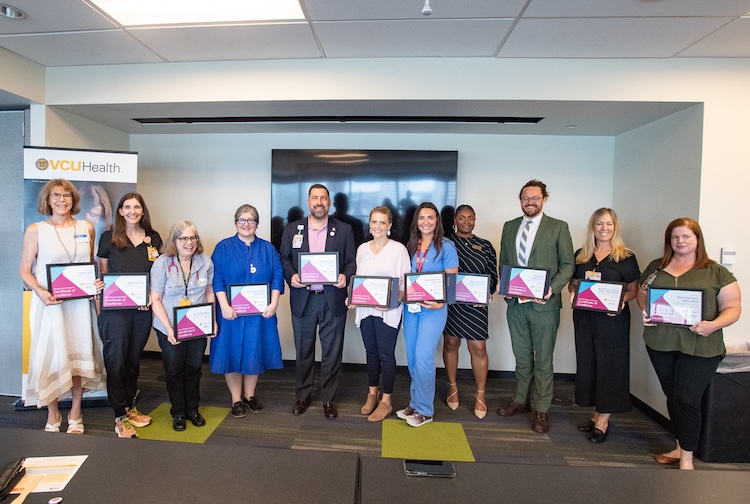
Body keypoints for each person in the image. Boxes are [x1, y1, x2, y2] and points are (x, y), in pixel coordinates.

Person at [637, 218, 741, 470]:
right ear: (668, 240)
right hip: (660, 344)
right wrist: (645, 310)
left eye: (686, 237)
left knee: (686, 399)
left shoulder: (716, 272)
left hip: (701, 347)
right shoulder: (656, 267)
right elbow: (642, 293)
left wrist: (713, 324)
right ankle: (679, 446)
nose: (680, 242)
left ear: (697, 240)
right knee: (673, 397)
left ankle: (687, 458)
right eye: (675, 237)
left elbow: (733, 308)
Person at [19, 178, 106, 434]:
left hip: (80, 306)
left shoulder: (86, 227)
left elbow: (90, 263)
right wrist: (40, 292)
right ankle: (54, 414)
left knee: (79, 353)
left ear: (74, 200)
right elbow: (24, 270)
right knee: (53, 356)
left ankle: (76, 413)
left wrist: (94, 286)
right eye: (56, 195)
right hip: (51, 305)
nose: (62, 200)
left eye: (67, 195)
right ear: (48, 200)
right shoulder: (36, 229)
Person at [497, 179, 575, 433]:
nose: (530, 202)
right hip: (517, 305)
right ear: (520, 200)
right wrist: (507, 287)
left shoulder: (558, 227)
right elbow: (505, 262)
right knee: (521, 357)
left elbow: (568, 265)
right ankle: (520, 400)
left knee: (543, 359)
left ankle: (542, 409)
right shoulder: (509, 227)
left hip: (545, 305)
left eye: (535, 198)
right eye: (525, 198)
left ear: (544, 199)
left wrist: (552, 289)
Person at [279, 184, 356, 420]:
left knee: (332, 352)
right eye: (315, 198)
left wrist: (345, 276)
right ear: (308, 201)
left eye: (323, 198)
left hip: (332, 299)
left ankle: (328, 399)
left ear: (329, 202)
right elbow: (283, 259)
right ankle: (302, 396)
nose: (319, 202)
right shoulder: (292, 229)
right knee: (304, 351)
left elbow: (351, 262)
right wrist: (291, 276)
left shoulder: (344, 230)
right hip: (304, 300)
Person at [567, 208, 639, 443]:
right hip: (586, 319)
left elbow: (633, 290)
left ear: (615, 227)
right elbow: (574, 284)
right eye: (599, 224)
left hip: (612, 320)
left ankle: (603, 421)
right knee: (589, 364)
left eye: (608, 224)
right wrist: (573, 293)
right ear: (593, 227)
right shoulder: (582, 254)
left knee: (610, 366)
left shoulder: (626, 257)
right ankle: (596, 414)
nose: (604, 229)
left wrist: (618, 303)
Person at [97, 193, 162, 438]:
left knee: (134, 360)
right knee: (116, 361)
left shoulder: (153, 239)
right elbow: (103, 273)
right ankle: (119, 416)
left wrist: (149, 297)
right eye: (128, 207)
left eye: (137, 207)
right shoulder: (108, 238)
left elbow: (157, 274)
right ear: (121, 211)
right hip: (114, 311)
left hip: (141, 310)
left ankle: (129, 406)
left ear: (143, 211)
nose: (133, 211)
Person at [210, 205, 284, 418]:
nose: (246, 224)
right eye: (242, 220)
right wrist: (223, 305)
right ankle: (236, 399)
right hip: (231, 313)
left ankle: (250, 396)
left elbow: (277, 276)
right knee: (231, 354)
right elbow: (218, 279)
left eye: (251, 220)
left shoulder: (268, 248)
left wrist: (274, 303)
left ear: (257, 224)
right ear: (236, 223)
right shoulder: (223, 247)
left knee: (255, 352)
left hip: (260, 315)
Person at [396, 202, 459, 427]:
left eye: (431, 218)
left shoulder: (446, 247)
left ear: (437, 221)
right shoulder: (411, 245)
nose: (426, 222)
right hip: (412, 308)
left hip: (433, 310)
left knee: (423, 356)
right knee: (412, 358)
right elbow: (404, 275)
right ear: (416, 221)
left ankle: (426, 410)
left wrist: (441, 303)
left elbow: (451, 281)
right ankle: (415, 401)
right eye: (422, 218)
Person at [150, 221, 216, 432]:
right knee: (174, 370)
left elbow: (208, 292)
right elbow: (156, 298)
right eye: (184, 238)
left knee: (194, 369)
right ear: (175, 241)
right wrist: (169, 329)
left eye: (193, 238)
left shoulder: (205, 262)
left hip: (196, 325)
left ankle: (192, 409)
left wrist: (212, 320)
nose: (189, 243)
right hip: (168, 325)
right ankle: (178, 412)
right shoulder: (162, 263)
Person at [351, 206, 411, 422]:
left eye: (382, 222)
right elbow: (358, 281)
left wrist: (394, 301)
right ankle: (372, 394)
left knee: (386, 355)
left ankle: (386, 401)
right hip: (366, 310)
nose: (377, 226)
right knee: (371, 353)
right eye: (374, 222)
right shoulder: (362, 249)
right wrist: (353, 298)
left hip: (389, 311)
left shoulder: (399, 250)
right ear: (369, 224)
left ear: (390, 225)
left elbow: (405, 284)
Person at [442, 205, 498, 420]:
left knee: (478, 348)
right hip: (452, 304)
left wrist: (487, 293)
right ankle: (452, 387)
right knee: (451, 344)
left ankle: (480, 394)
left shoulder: (485, 245)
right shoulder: (446, 243)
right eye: (462, 217)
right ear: (455, 220)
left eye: (471, 218)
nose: (466, 221)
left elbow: (492, 274)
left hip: (476, 305)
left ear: (475, 219)